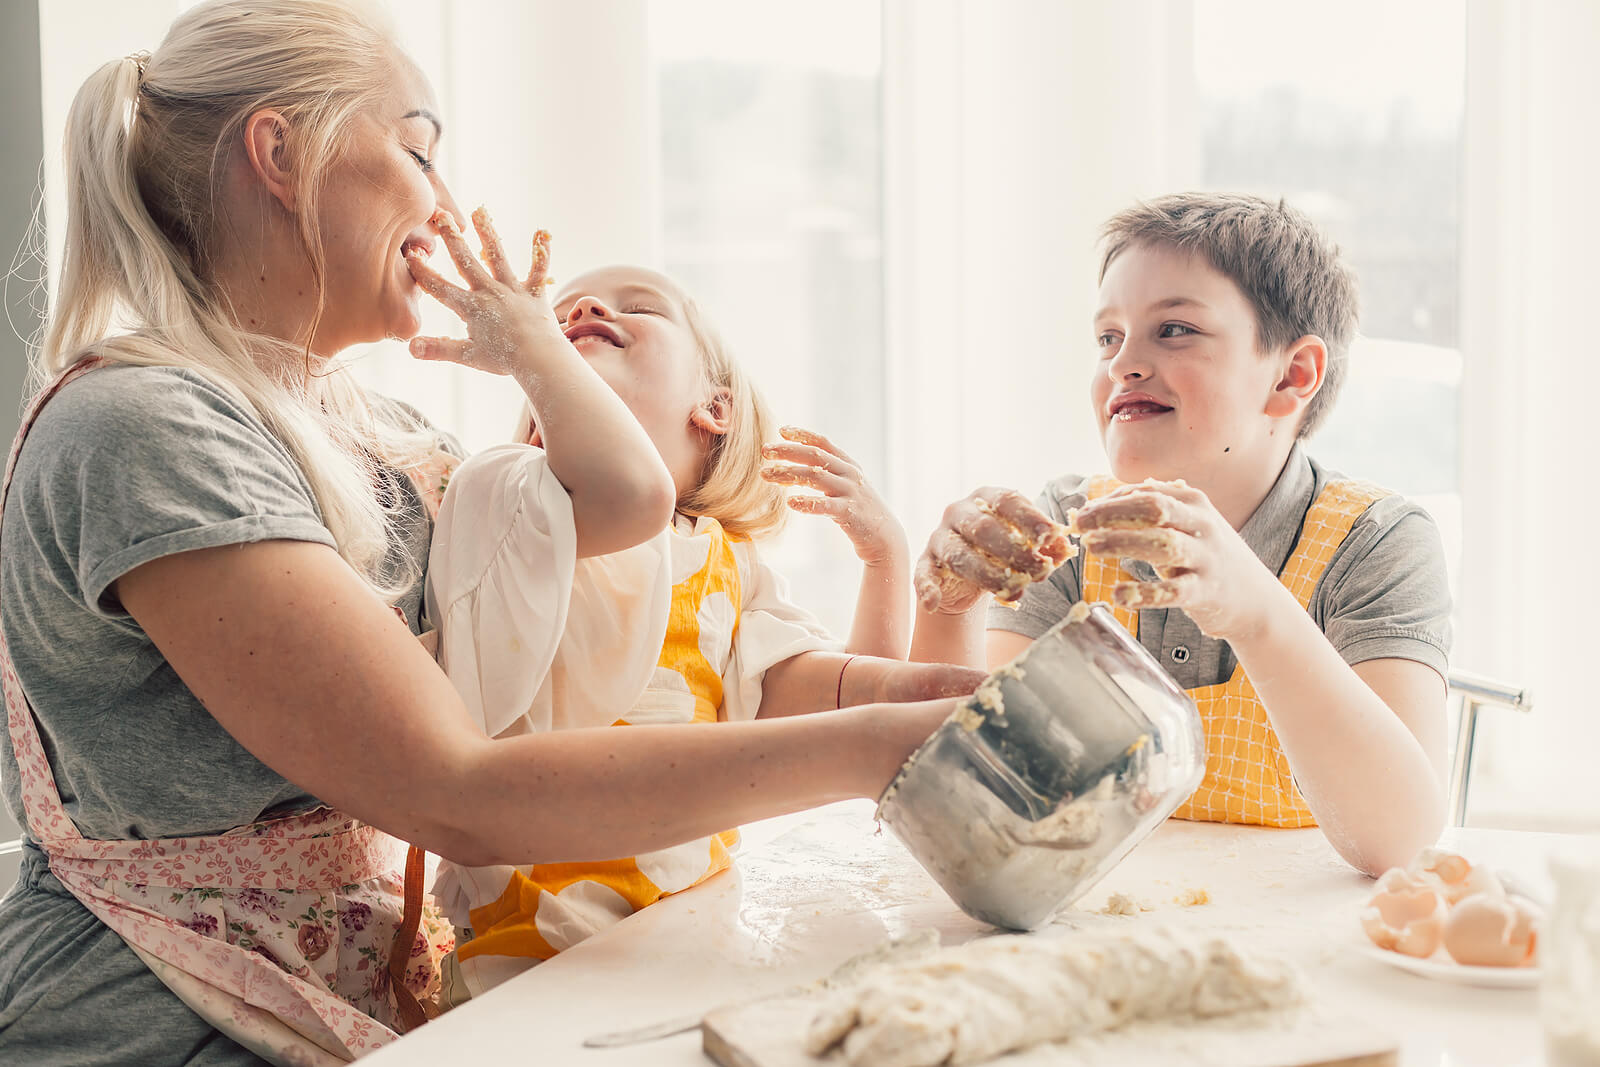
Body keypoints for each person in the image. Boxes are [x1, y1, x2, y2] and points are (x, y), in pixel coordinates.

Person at [0, 2, 966, 1062]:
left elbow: (614, 507)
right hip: (163, 1016)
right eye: (417, 150)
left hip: (368, 987)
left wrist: (903, 693)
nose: (442, 202)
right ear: (281, 153)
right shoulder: (144, 430)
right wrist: (873, 747)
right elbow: (454, 789)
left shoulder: (382, 433)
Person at [414, 261, 936, 997]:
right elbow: (627, 491)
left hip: (696, 925)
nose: (587, 307)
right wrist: (540, 354)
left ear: (714, 407)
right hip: (536, 946)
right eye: (559, 318)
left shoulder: (729, 560)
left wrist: (886, 557)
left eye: (640, 307)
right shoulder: (504, 495)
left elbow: (842, 714)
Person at [911, 193, 1452, 877]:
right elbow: (970, 799)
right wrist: (946, 607)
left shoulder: (1377, 542)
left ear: (1292, 376)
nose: (1123, 364)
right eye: (1108, 336)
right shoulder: (1066, 526)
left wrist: (1254, 609)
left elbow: (1402, 842)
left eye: (1173, 330)